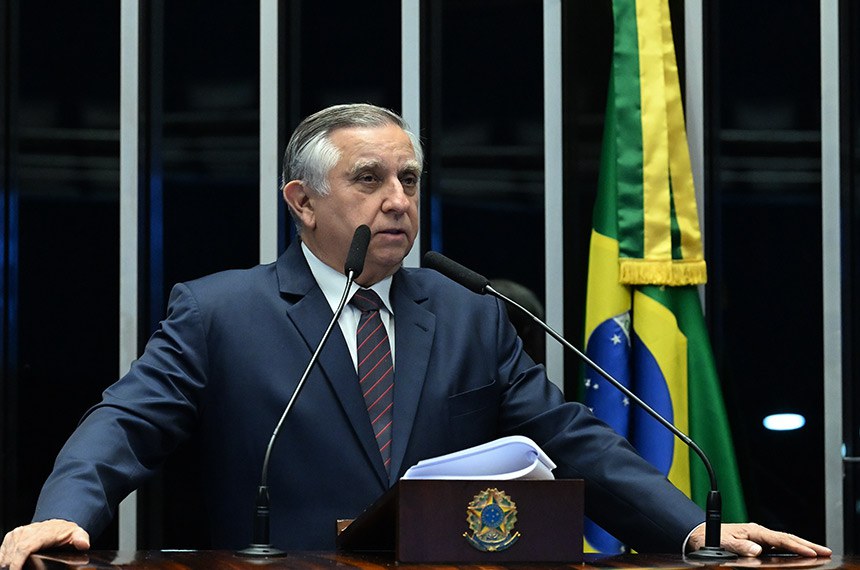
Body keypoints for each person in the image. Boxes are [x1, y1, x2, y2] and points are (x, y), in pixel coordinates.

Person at [0, 104, 831, 569]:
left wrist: (695, 528)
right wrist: (65, 514)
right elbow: (126, 422)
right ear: (301, 201)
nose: (398, 198)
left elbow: (574, 440)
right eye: (370, 179)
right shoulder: (222, 312)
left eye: (409, 178)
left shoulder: (468, 311)